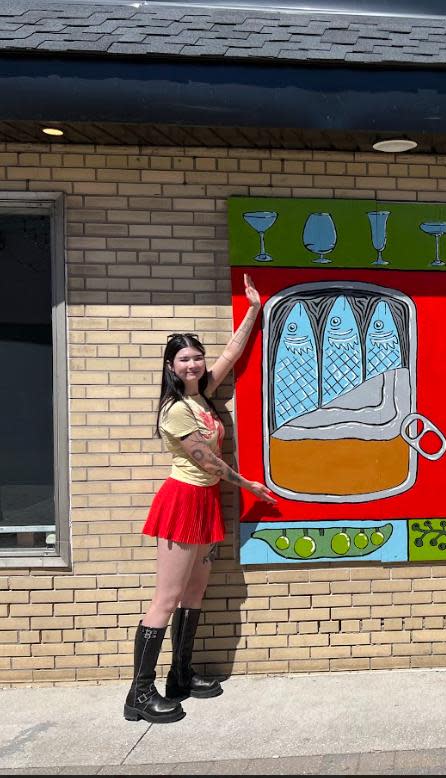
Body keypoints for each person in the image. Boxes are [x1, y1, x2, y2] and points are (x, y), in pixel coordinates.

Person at [124, 274, 277, 723]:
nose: (193, 365)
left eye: (197, 357)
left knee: (195, 592)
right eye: (184, 359)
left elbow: (232, 353)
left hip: (205, 503)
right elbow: (207, 462)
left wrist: (254, 309)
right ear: (171, 366)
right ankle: (138, 694)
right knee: (166, 598)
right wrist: (249, 486)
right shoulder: (175, 410)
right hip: (183, 501)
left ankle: (181, 677)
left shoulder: (204, 395)